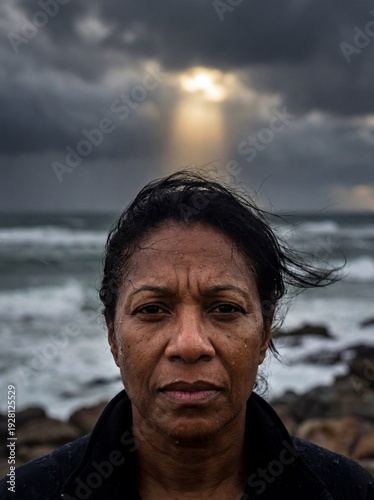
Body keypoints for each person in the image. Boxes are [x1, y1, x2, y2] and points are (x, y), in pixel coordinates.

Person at [1, 171, 373, 499]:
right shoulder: (29, 492)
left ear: (263, 333)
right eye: (151, 309)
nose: (190, 345)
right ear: (113, 337)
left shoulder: (349, 491)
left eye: (225, 308)